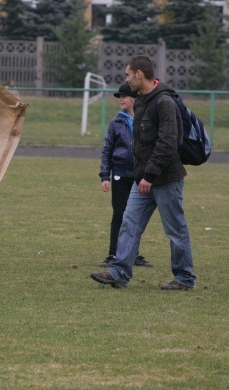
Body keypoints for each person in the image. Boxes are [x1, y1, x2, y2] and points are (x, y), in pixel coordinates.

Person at [91, 55, 196, 290]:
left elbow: (169, 143)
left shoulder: (164, 102)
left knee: (175, 230)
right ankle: (119, 272)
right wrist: (143, 176)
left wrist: (150, 175)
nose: (126, 80)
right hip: (143, 180)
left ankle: (184, 278)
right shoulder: (140, 102)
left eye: (128, 75)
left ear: (139, 74)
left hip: (166, 179)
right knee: (129, 223)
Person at [98, 83, 153, 268]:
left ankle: (133, 254)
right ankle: (113, 254)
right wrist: (105, 175)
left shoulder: (145, 120)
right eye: (119, 96)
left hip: (140, 176)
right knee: (119, 214)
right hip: (120, 174)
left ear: (135, 99)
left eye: (124, 96)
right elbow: (107, 150)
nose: (121, 99)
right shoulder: (116, 123)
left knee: (135, 216)